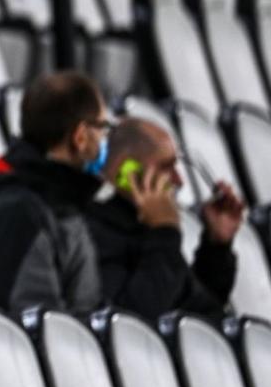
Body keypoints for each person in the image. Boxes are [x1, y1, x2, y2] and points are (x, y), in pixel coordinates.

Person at [0, 71, 112, 313]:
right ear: (80, 137)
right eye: (102, 128)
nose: (105, 140)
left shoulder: (56, 202)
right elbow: (35, 326)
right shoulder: (17, 214)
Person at [87, 117, 244, 319]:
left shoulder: (146, 229)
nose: (179, 180)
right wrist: (166, 232)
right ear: (129, 173)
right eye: (166, 167)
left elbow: (196, 307)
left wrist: (216, 246)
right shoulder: (97, 236)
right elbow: (135, 320)